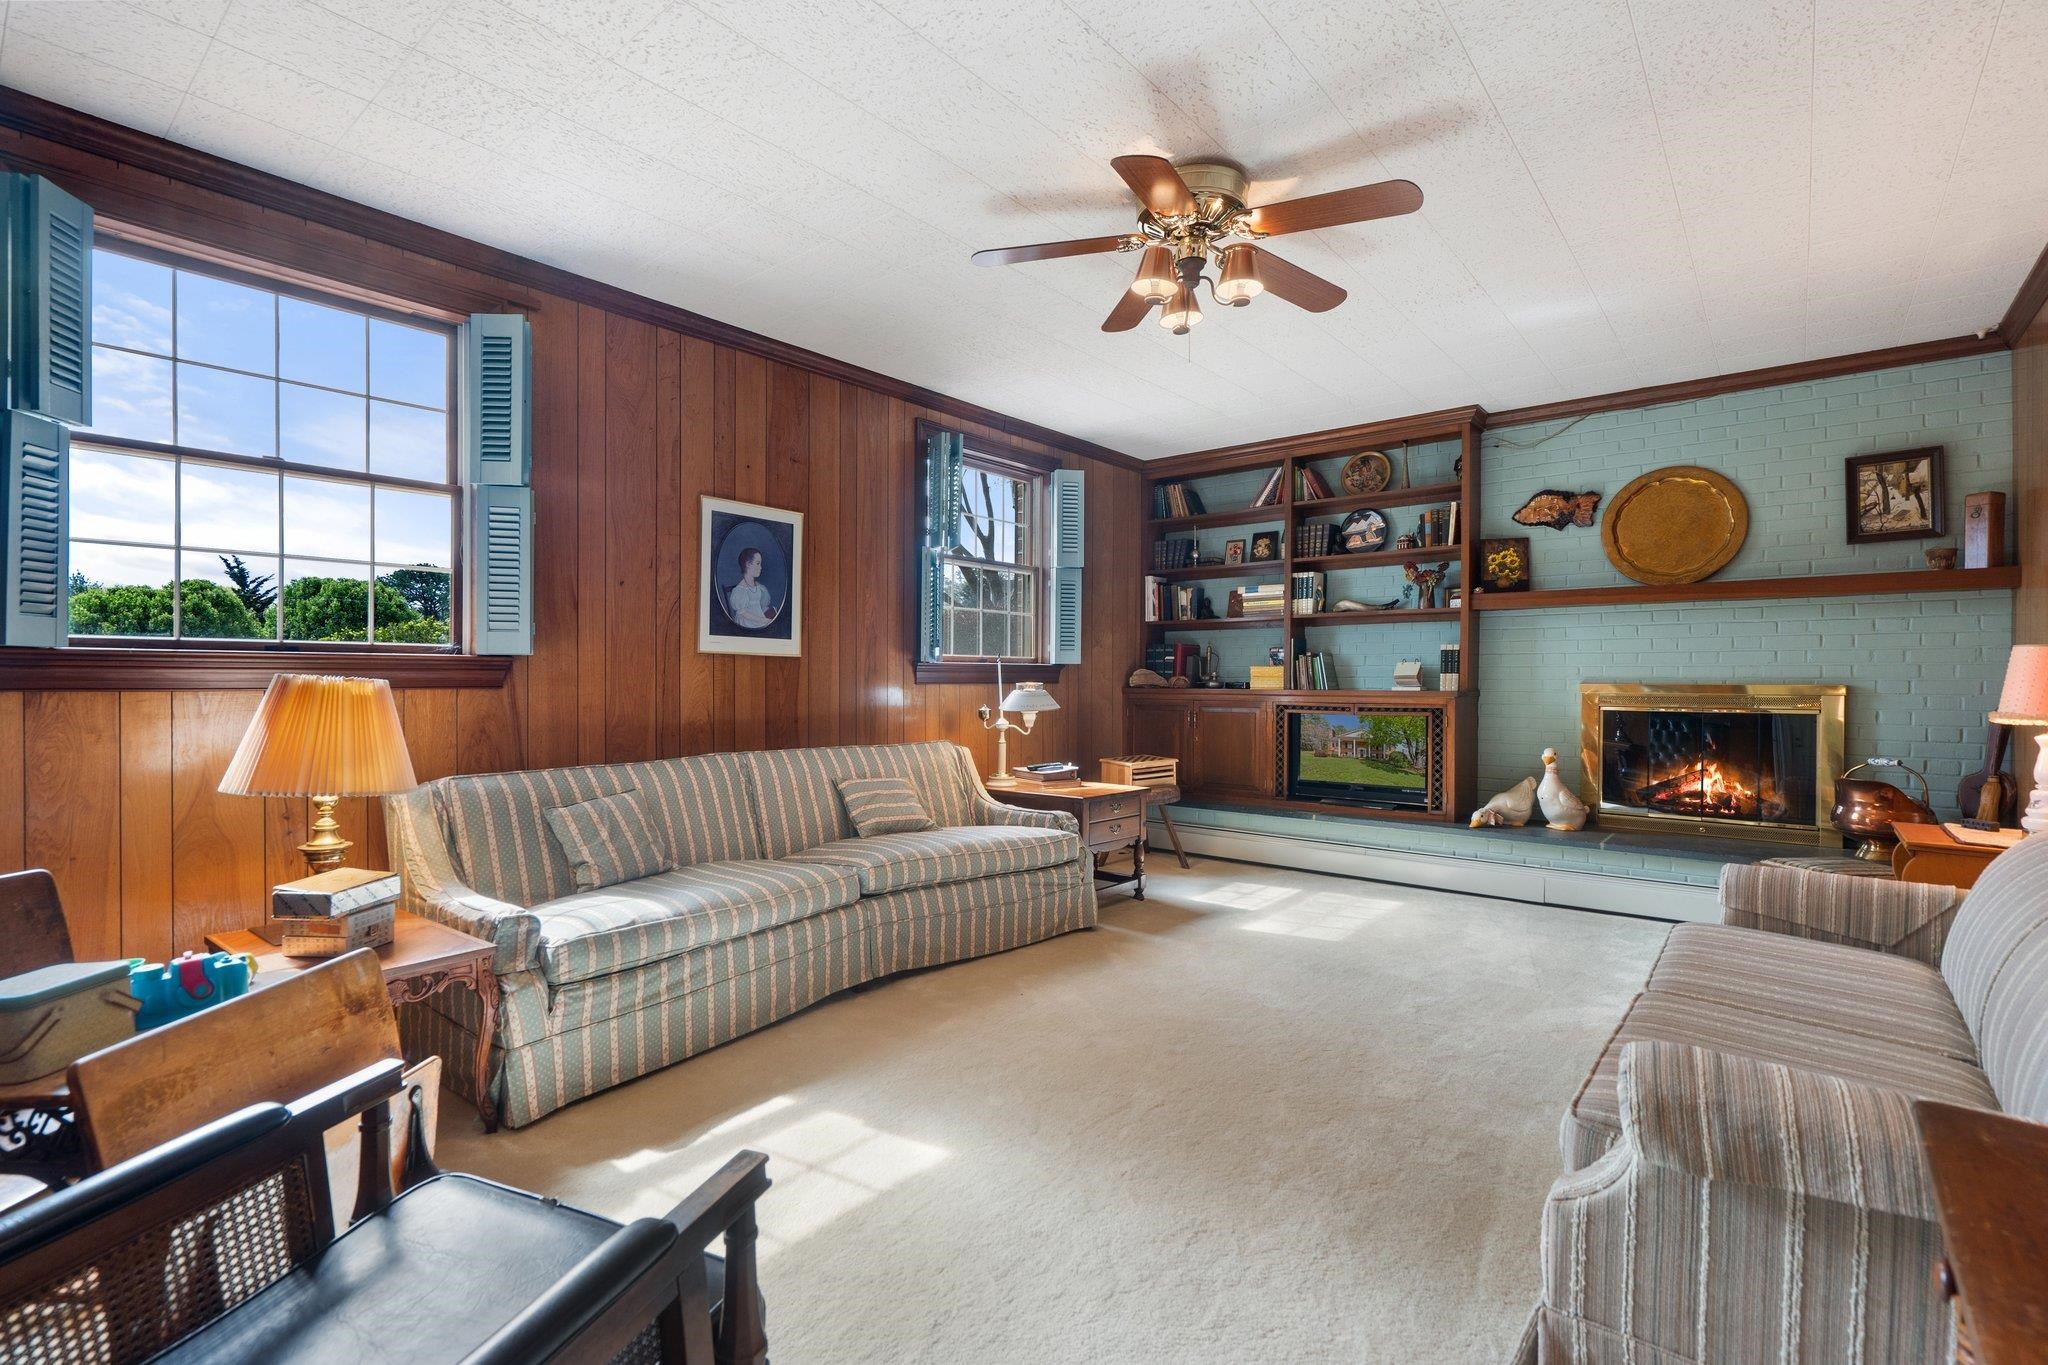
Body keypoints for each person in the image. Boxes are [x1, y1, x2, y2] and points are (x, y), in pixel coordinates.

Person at [727, 547, 776, 629]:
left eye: (760, 564)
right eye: (758, 563)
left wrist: (770, 613)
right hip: (747, 623)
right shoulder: (740, 590)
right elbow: (744, 614)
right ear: (748, 564)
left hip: (758, 619)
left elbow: (758, 606)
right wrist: (764, 620)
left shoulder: (758, 586)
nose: (761, 567)